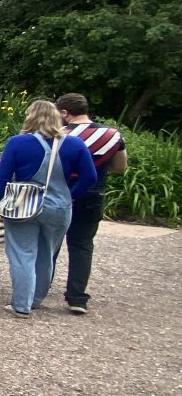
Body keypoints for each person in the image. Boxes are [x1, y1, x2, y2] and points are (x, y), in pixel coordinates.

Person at [0, 100, 97, 317]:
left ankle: (21, 304)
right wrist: (71, 196)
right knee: (46, 253)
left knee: (23, 254)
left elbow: (2, 176)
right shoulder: (75, 144)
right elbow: (90, 177)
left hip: (23, 204)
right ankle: (36, 299)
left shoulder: (18, 142)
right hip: (59, 206)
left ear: (31, 116)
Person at [54, 93, 127, 316]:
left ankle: (39, 286)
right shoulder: (112, 135)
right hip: (93, 192)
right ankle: (77, 297)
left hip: (60, 191)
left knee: (50, 241)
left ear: (65, 113)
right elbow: (120, 167)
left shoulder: (60, 135)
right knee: (82, 244)